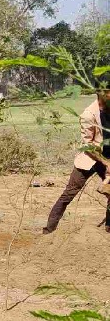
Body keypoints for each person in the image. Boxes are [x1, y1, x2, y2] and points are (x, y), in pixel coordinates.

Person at [43, 86, 110, 234]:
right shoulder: (88, 115)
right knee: (69, 194)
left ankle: (109, 227)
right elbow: (88, 145)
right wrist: (106, 163)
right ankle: (49, 230)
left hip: (107, 158)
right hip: (89, 159)